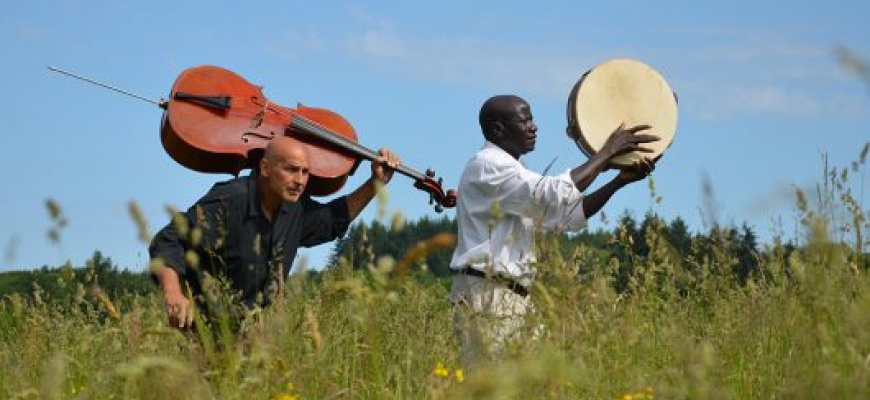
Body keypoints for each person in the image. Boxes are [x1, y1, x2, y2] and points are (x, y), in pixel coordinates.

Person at [449, 94, 659, 366]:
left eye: (532, 119)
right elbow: (552, 194)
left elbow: (565, 217)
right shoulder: (488, 164)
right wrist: (606, 153)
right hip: (489, 295)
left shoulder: (515, 169)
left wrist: (618, 182)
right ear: (498, 129)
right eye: (525, 120)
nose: (534, 127)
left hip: (511, 298)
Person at [149, 136, 400, 329]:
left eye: (305, 172)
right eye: (291, 169)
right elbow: (169, 239)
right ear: (266, 168)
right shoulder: (231, 198)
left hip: (249, 331)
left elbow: (333, 221)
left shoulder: (294, 210)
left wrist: (375, 183)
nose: (300, 180)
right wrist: (173, 295)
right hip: (199, 328)